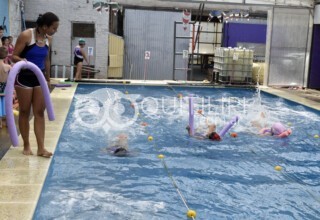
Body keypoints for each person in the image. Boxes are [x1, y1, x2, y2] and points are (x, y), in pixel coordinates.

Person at [12, 12, 59, 157]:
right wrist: (23, 61)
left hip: (39, 78)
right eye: (54, 28)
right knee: (25, 111)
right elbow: (13, 56)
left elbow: (46, 60)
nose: (55, 31)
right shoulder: (27, 35)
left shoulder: (48, 39)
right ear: (44, 26)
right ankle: (26, 144)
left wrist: (48, 78)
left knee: (39, 112)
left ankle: (41, 148)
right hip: (25, 77)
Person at [0, 46, 11, 128]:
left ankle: (0, 123)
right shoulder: (8, 67)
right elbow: (12, 79)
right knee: (7, 105)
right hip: (5, 87)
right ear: (6, 56)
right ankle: (7, 122)